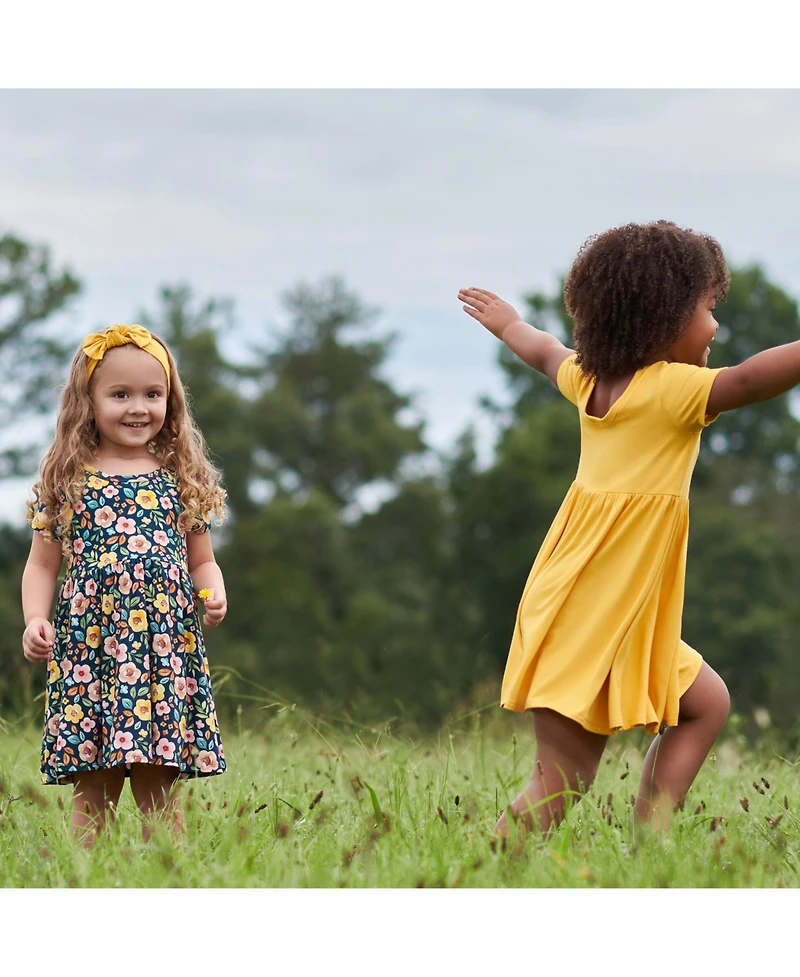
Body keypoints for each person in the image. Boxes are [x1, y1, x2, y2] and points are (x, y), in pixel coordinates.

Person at [459, 220, 800, 840]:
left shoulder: (589, 379)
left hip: (599, 607)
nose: (715, 327)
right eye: (707, 309)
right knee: (560, 782)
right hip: (598, 613)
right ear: (667, 319)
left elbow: (540, 350)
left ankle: (652, 841)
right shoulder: (672, 391)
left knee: (705, 703)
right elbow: (751, 378)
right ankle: (470, 880)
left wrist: (507, 322)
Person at [21, 323, 228, 847]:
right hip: (92, 649)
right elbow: (43, 564)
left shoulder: (180, 477)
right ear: (86, 402)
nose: (139, 407)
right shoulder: (67, 477)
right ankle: (84, 878)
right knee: (94, 783)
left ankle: (169, 879)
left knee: (159, 781)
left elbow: (201, 560)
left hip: (162, 651)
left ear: (171, 401)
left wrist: (212, 591)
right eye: (120, 394)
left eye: (152, 395)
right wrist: (34, 619)